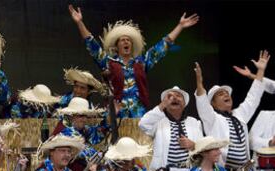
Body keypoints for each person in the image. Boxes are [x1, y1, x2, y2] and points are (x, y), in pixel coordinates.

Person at [194, 51, 270, 171]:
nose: (226, 95)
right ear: (213, 103)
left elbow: (253, 97)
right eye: (220, 94)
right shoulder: (213, 119)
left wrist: (260, 71)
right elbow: (202, 106)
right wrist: (200, 84)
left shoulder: (239, 115)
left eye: (227, 93)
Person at [68, 4, 199, 118]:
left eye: (128, 40)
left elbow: (163, 46)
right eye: (123, 40)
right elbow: (92, 45)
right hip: (116, 112)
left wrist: (180, 26)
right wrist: (80, 22)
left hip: (138, 113)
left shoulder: (141, 62)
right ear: (117, 45)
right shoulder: (108, 62)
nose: (126, 42)